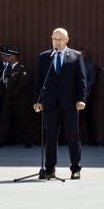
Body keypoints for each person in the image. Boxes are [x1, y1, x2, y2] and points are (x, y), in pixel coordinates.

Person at [33, 27, 90, 181]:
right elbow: (39, 81)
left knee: (73, 137)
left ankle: (75, 169)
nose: (56, 42)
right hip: (50, 104)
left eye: (60, 39)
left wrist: (82, 99)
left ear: (67, 40)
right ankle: (50, 169)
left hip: (70, 104)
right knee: (50, 138)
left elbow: (82, 80)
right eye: (54, 39)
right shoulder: (45, 57)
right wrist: (37, 101)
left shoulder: (76, 56)